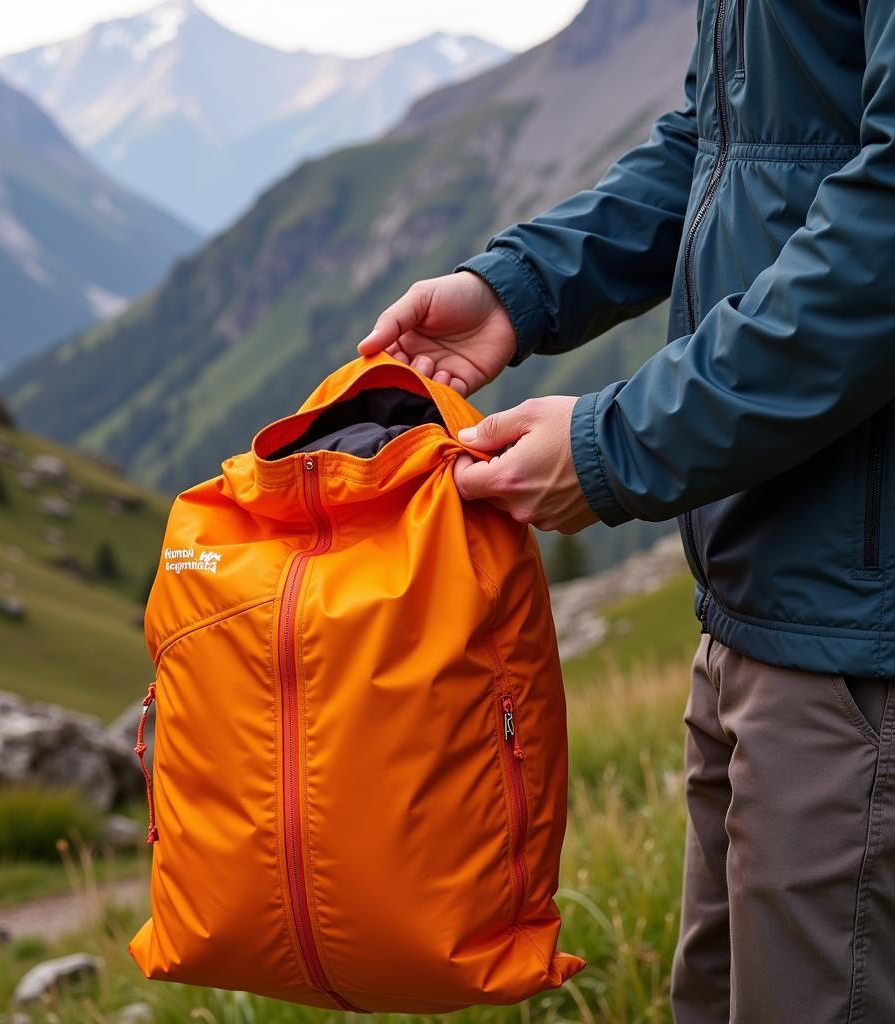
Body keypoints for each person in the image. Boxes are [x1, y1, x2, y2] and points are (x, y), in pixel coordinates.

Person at [358, 2, 895, 1021]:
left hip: (859, 631)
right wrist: (516, 287)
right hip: (763, 592)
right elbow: (726, 141)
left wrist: (618, 444)